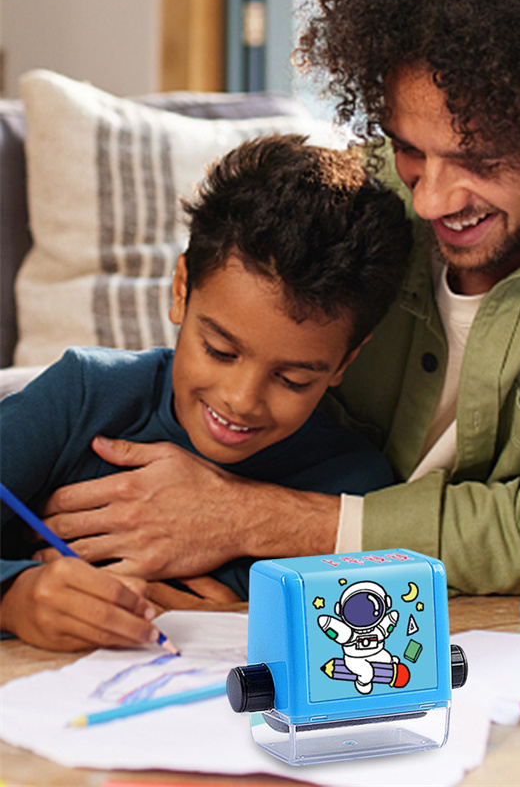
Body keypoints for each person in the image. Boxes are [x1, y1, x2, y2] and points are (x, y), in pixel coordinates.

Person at [29, 0, 520, 598]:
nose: (429, 201)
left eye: (481, 160)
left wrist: (249, 522)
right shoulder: (363, 202)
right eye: (409, 147)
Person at [0, 134, 412, 650]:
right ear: (181, 289)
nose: (242, 399)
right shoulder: (83, 395)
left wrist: (240, 619)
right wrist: (13, 598)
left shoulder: (353, 491)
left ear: (345, 362)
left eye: (293, 379)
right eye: (220, 350)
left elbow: (362, 638)